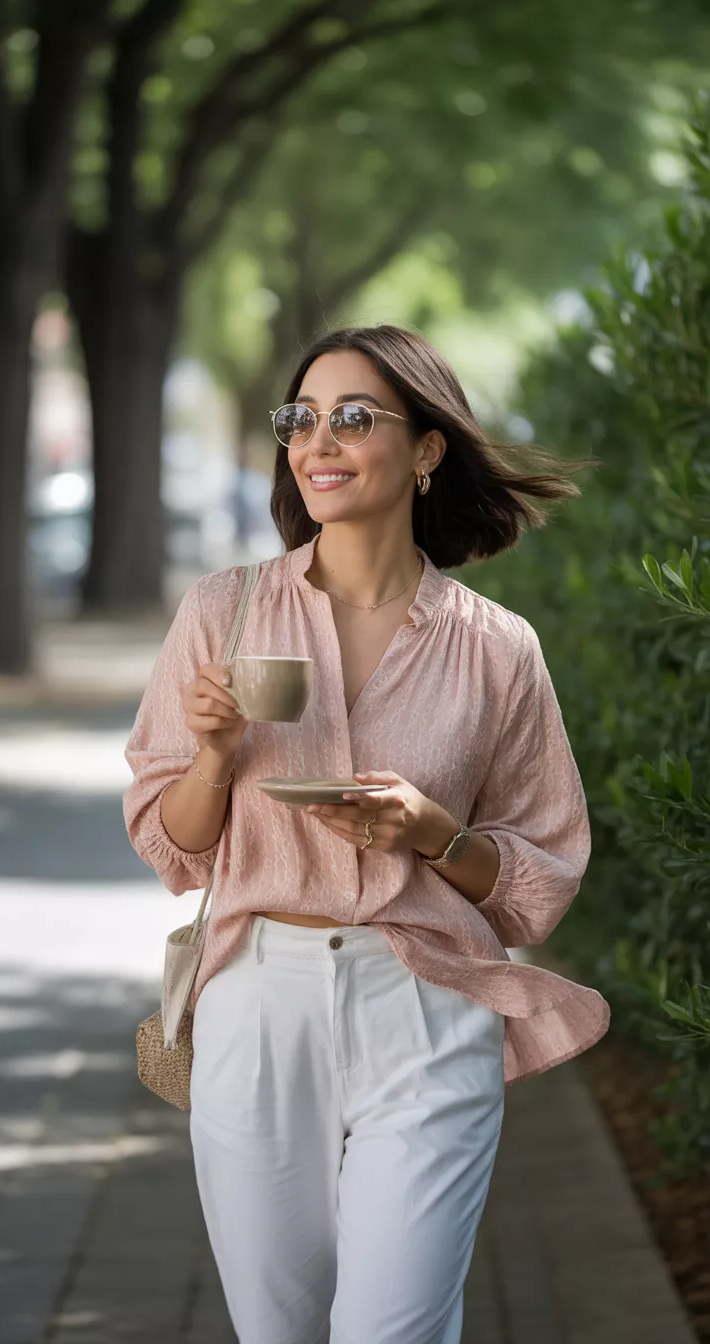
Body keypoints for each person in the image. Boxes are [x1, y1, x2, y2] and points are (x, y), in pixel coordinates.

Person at [123, 324, 610, 1344]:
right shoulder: (225, 610)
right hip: (258, 1003)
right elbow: (171, 845)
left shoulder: (496, 650)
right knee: (280, 1332)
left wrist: (433, 831)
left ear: (428, 451)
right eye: (300, 419)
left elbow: (539, 879)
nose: (319, 440)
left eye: (354, 417)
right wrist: (213, 756)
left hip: (430, 1005)